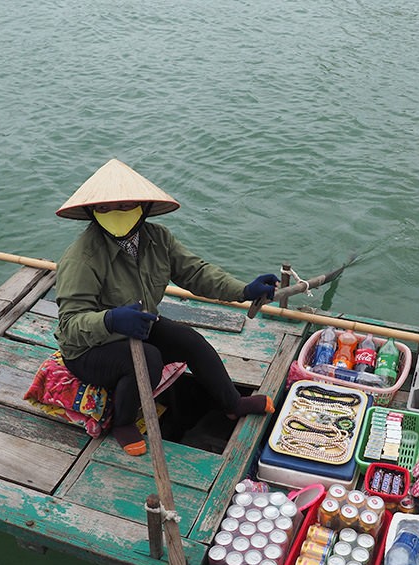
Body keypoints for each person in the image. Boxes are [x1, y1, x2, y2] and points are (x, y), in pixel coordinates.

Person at [53, 158, 279, 456]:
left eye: (124, 206)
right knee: (148, 359)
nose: (114, 214)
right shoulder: (83, 258)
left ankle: (232, 404)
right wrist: (110, 320)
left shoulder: (157, 239)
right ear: (92, 213)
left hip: (139, 324)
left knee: (191, 341)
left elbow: (195, 273)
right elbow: (70, 326)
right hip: (89, 348)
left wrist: (244, 290)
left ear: (142, 207)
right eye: (104, 208)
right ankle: (122, 422)